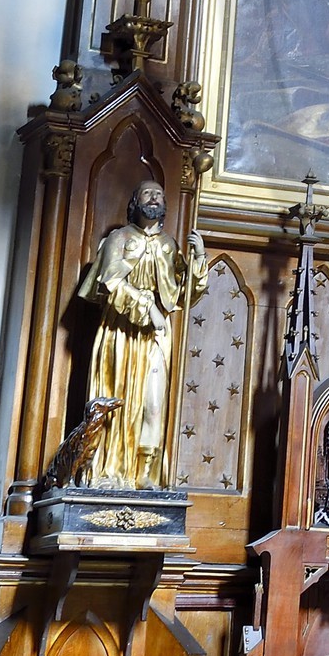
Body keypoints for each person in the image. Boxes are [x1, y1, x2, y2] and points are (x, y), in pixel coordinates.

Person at [76, 181, 206, 488]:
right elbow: (109, 283)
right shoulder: (118, 239)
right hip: (120, 330)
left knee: (152, 402)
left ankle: (146, 474)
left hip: (156, 334)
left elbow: (185, 296)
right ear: (135, 201)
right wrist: (147, 307)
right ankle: (106, 472)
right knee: (117, 399)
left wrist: (198, 259)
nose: (155, 197)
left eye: (160, 193)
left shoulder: (170, 245)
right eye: (147, 193)